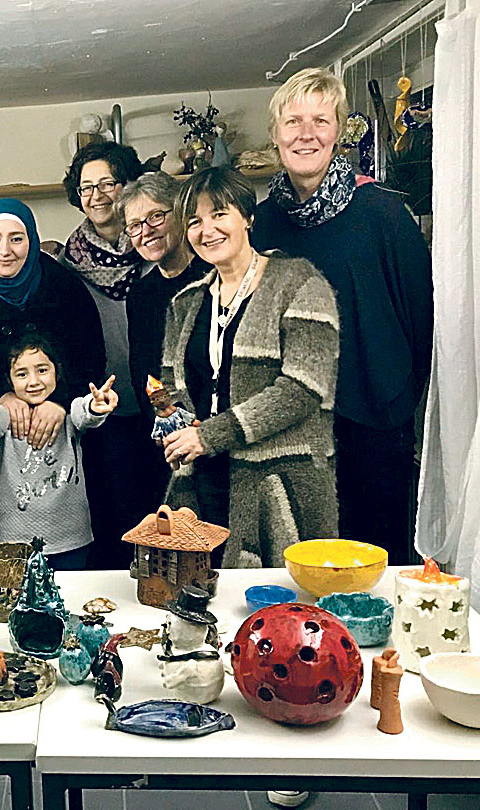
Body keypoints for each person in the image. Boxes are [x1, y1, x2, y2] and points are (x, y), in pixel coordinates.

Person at [251, 67, 433, 566]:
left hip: (373, 421)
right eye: (293, 121)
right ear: (275, 134)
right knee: (301, 561)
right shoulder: (261, 224)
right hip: (291, 426)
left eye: (321, 120)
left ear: (338, 132)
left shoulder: (383, 212)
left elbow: (421, 316)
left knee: (375, 563)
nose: (306, 134)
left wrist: (397, 397)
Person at [161, 166, 339, 569]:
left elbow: (302, 388)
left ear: (247, 217)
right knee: (202, 596)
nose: (206, 230)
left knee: (283, 601)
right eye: (194, 221)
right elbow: (174, 389)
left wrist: (209, 435)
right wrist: (174, 430)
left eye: (219, 214)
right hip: (204, 483)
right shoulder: (185, 303)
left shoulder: (300, 283)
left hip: (282, 486)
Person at [0, 199, 105, 545]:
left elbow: (92, 357)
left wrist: (61, 401)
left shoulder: (64, 288)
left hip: (65, 435)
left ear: (32, 240)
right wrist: (1, 397)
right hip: (1, 437)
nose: (5, 250)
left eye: (16, 239)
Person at [61, 142, 153, 568]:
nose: (96, 196)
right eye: (86, 187)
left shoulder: (154, 248)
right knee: (112, 519)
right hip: (100, 408)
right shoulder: (70, 261)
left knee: (164, 516)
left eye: (107, 184)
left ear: (127, 186)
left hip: (162, 405)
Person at [0, 335, 118, 570]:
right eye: (21, 374)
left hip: (70, 538)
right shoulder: (8, 415)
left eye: (42, 370)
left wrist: (96, 405)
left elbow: (84, 413)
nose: (33, 381)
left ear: (57, 372)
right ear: (9, 380)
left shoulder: (67, 415)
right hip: (15, 539)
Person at [120, 172, 213, 508]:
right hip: (170, 441)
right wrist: (168, 422)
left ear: (181, 213)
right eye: (134, 225)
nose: (146, 231)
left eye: (156, 216)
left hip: (219, 433)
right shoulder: (140, 294)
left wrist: (204, 431)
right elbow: (145, 373)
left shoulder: (214, 276)